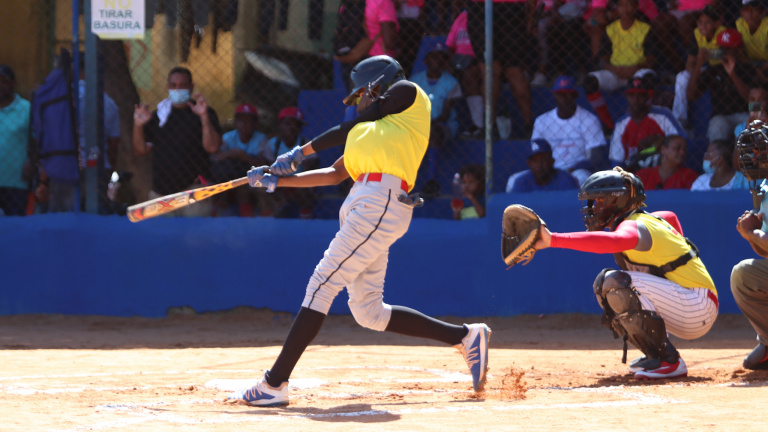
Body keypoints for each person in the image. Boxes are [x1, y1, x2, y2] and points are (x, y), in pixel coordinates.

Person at [226, 56, 491, 406]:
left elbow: (346, 129)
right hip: (364, 203)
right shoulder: (367, 132)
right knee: (368, 311)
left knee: (321, 283)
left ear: (375, 86)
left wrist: (298, 153)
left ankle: (274, 383)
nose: (357, 102)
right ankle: (466, 337)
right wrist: (278, 180)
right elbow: (334, 175)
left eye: (359, 95)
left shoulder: (408, 95)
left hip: (380, 201)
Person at [533, 167, 718, 379]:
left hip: (696, 305)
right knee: (604, 286)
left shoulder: (634, 225)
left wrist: (552, 239)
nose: (593, 208)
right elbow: (670, 217)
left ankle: (668, 361)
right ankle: (656, 353)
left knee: (612, 282)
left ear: (618, 201)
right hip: (690, 303)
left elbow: (616, 241)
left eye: (599, 201)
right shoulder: (648, 220)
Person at [132, 66, 222, 216]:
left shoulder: (204, 112)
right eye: (173, 85)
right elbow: (140, 150)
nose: (177, 89)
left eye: (182, 85)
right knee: (161, 238)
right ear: (168, 87)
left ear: (191, 87)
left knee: (196, 238)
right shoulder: (159, 116)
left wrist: (204, 117)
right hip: (161, 194)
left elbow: (212, 147)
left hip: (194, 191)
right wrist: (138, 125)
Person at [584, 0, 657, 132]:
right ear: (617, 8)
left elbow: (651, 59)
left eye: (629, 4)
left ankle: (645, 119)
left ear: (635, 7)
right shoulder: (611, 29)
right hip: (615, 73)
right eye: (621, 5)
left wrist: (635, 68)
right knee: (590, 82)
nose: (625, 9)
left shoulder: (645, 28)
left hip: (636, 73)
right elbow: (602, 58)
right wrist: (614, 69)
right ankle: (609, 125)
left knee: (649, 77)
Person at [731, 120, 768, 370]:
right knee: (745, 276)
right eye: (751, 154)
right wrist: (751, 236)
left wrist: (753, 231)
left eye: (760, 153)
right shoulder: (764, 187)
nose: (753, 159)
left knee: (742, 273)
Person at [466, 0, 535, 134]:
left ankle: (490, 127)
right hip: (512, 8)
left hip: (482, 8)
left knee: (490, 71)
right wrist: (531, 16)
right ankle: (529, 126)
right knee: (514, 70)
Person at [686, 28, 761, 142]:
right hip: (722, 116)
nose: (724, 52)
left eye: (728, 49)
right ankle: (715, 157)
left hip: (745, 114)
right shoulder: (714, 70)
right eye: (721, 49)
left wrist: (732, 74)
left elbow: (751, 100)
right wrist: (698, 65)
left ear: (739, 49)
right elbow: (691, 96)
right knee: (717, 124)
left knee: (752, 123)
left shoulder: (749, 69)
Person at [531, 75, 607, 185]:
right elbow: (536, 152)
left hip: (577, 170)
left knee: (581, 177)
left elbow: (595, 157)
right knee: (513, 179)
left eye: (568, 94)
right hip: (548, 170)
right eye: (560, 94)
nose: (564, 98)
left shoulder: (589, 119)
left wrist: (573, 169)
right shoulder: (542, 121)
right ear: (554, 95)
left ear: (575, 96)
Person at [255, 106, 319, 219]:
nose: (292, 127)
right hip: (279, 181)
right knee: (263, 188)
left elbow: (307, 170)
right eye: (288, 123)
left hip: (299, 181)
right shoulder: (273, 144)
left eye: (297, 124)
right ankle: (269, 221)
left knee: (305, 191)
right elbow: (269, 169)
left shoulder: (306, 144)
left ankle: (305, 222)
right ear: (280, 125)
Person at [77, 53, 121, 215]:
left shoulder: (65, 98)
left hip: (68, 165)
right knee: (97, 212)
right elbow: (113, 142)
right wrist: (110, 168)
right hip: (99, 165)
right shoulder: (109, 103)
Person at [610, 77, 686, 168]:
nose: (636, 100)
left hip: (662, 171)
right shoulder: (621, 124)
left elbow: (681, 143)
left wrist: (658, 142)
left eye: (640, 95)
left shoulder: (663, 115)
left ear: (647, 96)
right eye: (632, 95)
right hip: (632, 174)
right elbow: (617, 161)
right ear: (627, 97)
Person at [672, 5, 726, 128]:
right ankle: (680, 119)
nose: (703, 26)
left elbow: (728, 54)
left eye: (708, 22)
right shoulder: (697, 33)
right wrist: (695, 71)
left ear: (717, 23)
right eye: (700, 22)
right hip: (705, 68)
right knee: (681, 77)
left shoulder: (723, 33)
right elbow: (690, 61)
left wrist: (706, 55)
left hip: (722, 68)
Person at [210, 103, 267, 217]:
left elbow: (264, 165)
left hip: (249, 177)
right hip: (229, 177)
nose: (244, 124)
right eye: (240, 120)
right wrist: (231, 154)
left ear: (255, 123)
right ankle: (214, 217)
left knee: (244, 191)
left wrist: (242, 156)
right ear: (235, 122)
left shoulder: (261, 139)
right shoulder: (228, 137)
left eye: (248, 121)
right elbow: (216, 158)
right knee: (215, 188)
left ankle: (249, 221)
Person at [0, 65, 30, 216]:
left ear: (13, 84)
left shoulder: (26, 109)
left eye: (4, 81)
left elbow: (37, 142)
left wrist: (31, 161)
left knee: (15, 227)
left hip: (16, 182)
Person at [506, 138, 580, 192]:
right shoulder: (521, 182)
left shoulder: (566, 180)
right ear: (528, 163)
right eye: (535, 161)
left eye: (543, 160)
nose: (539, 165)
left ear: (552, 161)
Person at [735, 0, 768, 75]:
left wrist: (761, 70)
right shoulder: (740, 23)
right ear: (741, 12)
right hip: (751, 62)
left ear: (763, 12)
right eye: (745, 10)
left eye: (753, 9)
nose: (749, 14)